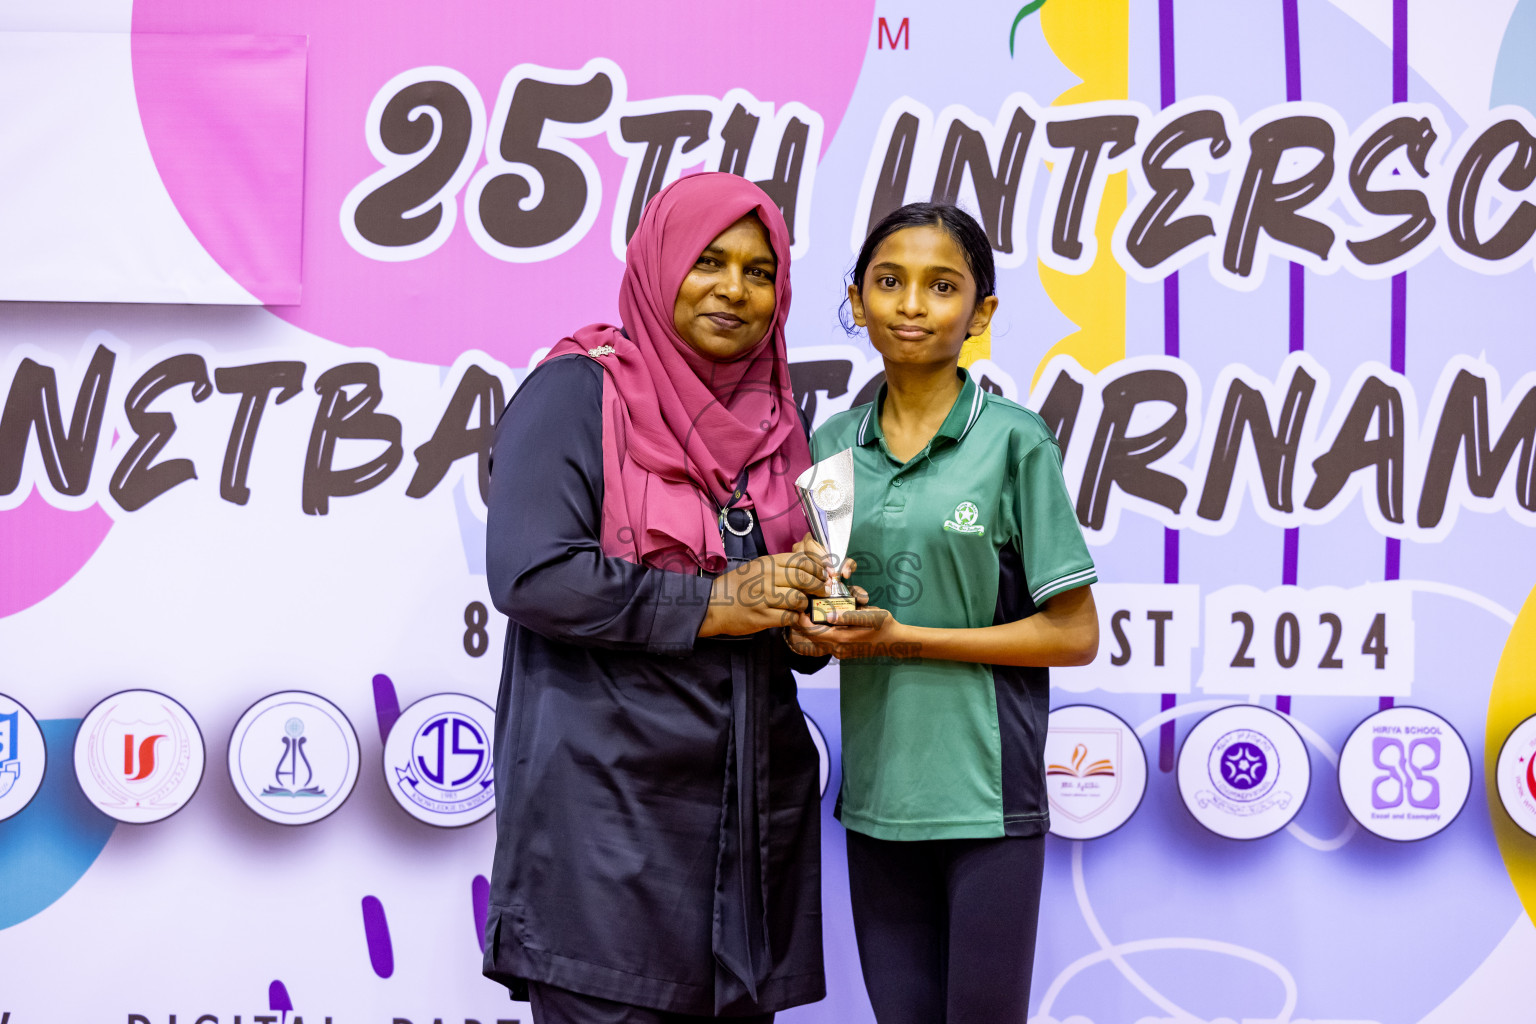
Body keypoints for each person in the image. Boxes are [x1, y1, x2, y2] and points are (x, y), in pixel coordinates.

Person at [482, 173, 833, 1024]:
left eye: (759, 272)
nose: (734, 290)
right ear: (659, 263)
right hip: (608, 824)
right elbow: (532, 575)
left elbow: (781, 599)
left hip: (749, 826)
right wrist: (720, 602)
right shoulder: (578, 392)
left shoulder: (778, 422)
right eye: (708, 261)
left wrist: (814, 620)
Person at [794, 202, 1100, 1023]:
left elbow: (1074, 634)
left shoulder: (1013, 441)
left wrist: (906, 638)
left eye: (941, 286)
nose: (911, 305)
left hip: (984, 799)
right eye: (889, 283)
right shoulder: (829, 445)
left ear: (982, 313)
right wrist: (809, 628)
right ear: (857, 300)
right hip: (876, 798)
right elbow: (824, 610)